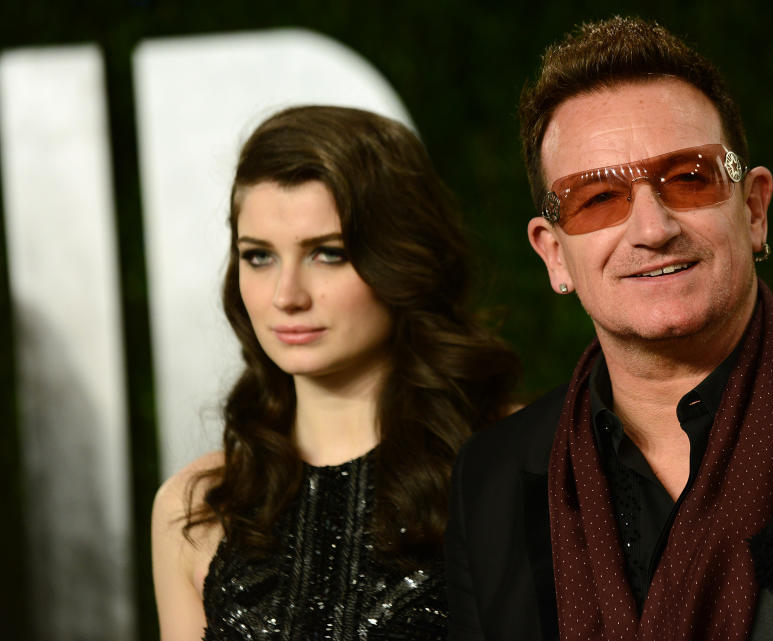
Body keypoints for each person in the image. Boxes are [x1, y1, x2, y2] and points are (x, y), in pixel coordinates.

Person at [445, 16, 773, 641]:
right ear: (554, 255)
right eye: (598, 198)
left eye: (688, 178)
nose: (653, 228)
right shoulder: (491, 481)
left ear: (754, 209)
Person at [151, 105, 519, 641]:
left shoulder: (517, 466)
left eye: (327, 253)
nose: (286, 296)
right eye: (258, 257)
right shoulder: (198, 507)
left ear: (402, 259)